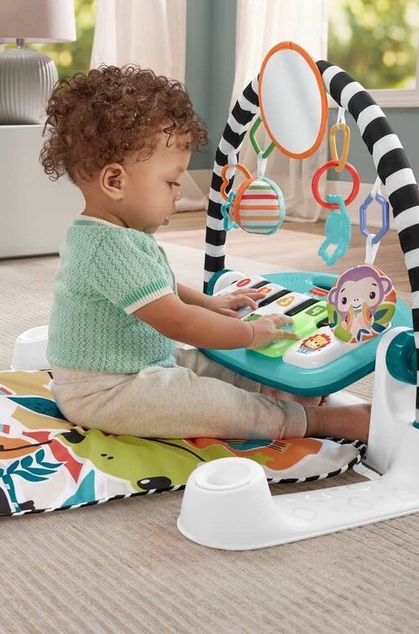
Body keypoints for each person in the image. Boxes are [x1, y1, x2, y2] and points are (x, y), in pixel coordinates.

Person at [41, 65, 370, 443]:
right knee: (218, 401)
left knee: (217, 366)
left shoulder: (116, 233)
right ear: (115, 181)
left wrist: (207, 303)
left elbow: (157, 288)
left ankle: (276, 393)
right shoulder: (107, 247)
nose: (179, 193)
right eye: (171, 182)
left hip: (141, 364)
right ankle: (315, 421)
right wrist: (250, 333)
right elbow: (178, 322)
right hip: (106, 392)